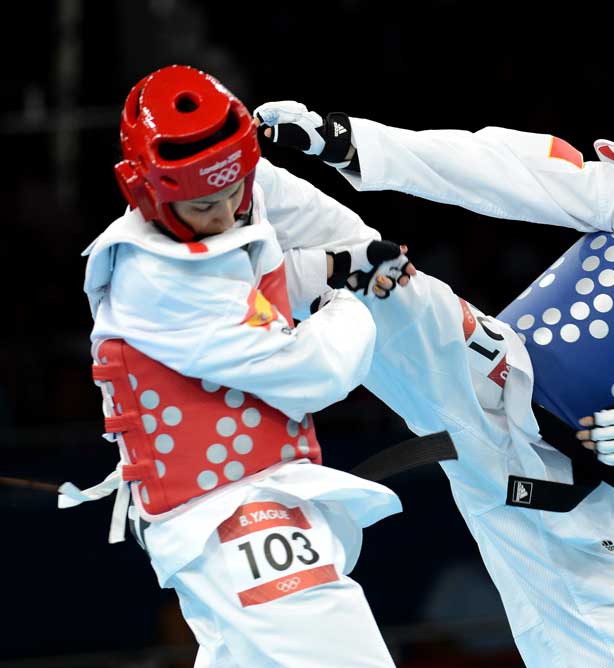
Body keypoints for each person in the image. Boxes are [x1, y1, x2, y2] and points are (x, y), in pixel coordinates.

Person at [253, 49, 614, 667]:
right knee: (373, 270)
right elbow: (496, 167)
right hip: (487, 378)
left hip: (560, 497)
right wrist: (346, 141)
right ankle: (229, 173)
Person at [58, 65, 411, 668]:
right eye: (203, 204)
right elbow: (311, 371)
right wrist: (349, 299)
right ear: (147, 192)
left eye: (235, 192)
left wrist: (335, 265)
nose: (225, 213)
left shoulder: (218, 210)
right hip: (229, 516)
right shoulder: (158, 279)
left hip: (246, 502)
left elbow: (259, 289)